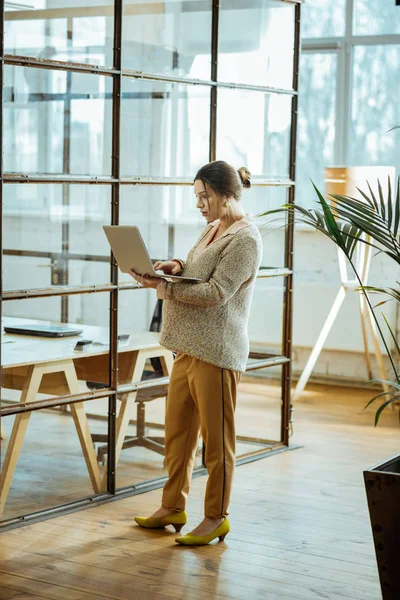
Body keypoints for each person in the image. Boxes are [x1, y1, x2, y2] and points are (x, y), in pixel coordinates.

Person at [129, 160, 262, 546]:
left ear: (226, 193)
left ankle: (216, 516)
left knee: (217, 444)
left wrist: (165, 288)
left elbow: (216, 293)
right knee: (178, 436)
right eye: (197, 197)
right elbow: (197, 268)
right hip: (188, 348)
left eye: (204, 197)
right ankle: (173, 508)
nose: (199, 204)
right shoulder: (213, 228)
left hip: (217, 352)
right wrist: (175, 265)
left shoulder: (246, 239)